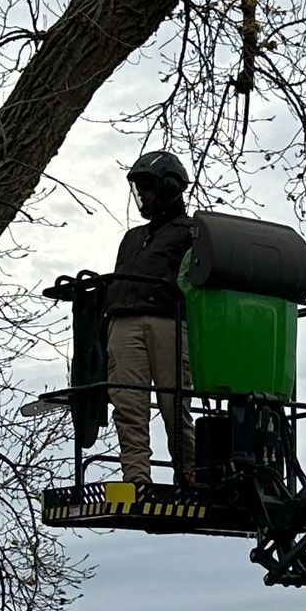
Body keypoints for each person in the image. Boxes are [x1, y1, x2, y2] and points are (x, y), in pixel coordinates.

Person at [107, 149, 198, 489]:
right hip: (123, 322)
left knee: (175, 404)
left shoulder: (193, 232)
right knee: (127, 405)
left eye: (148, 186)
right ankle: (136, 480)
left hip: (169, 323)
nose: (142, 195)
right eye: (139, 187)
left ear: (170, 186)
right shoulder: (132, 238)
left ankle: (189, 472)